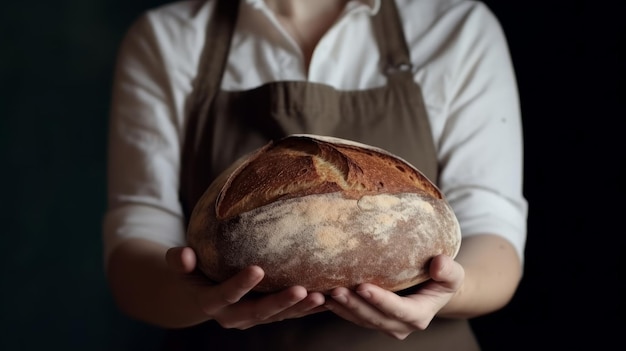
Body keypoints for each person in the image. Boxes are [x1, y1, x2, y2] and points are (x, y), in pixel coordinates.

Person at [103, 0, 527, 349]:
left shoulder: (456, 27)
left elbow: (491, 229)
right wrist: (195, 298)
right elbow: (136, 239)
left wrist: (452, 289)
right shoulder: (169, 38)